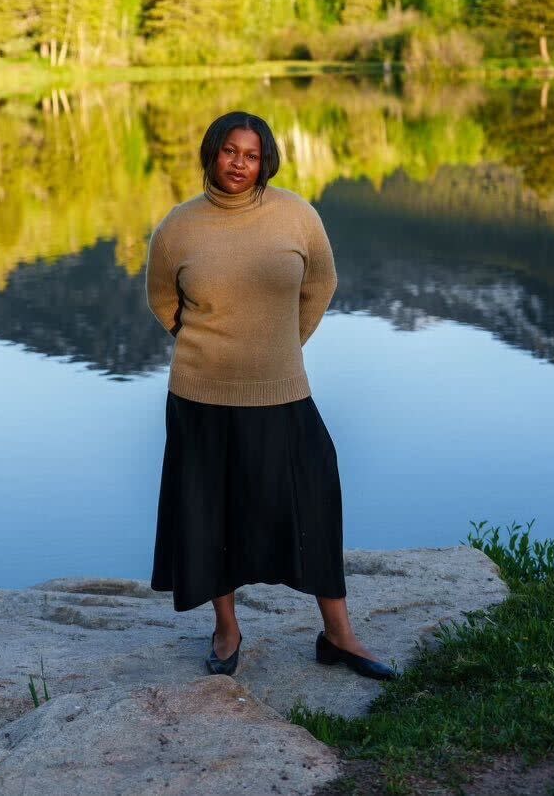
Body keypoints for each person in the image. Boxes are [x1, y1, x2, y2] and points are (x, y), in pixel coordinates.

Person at [145, 110, 396, 681]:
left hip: (282, 388)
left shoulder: (297, 216)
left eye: (251, 154)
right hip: (200, 395)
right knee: (210, 511)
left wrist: (286, 342)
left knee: (316, 497)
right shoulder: (178, 227)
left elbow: (321, 283)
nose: (239, 163)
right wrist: (207, 346)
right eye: (230, 151)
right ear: (212, 154)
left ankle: (339, 635)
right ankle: (227, 630)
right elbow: (163, 299)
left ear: (266, 161)